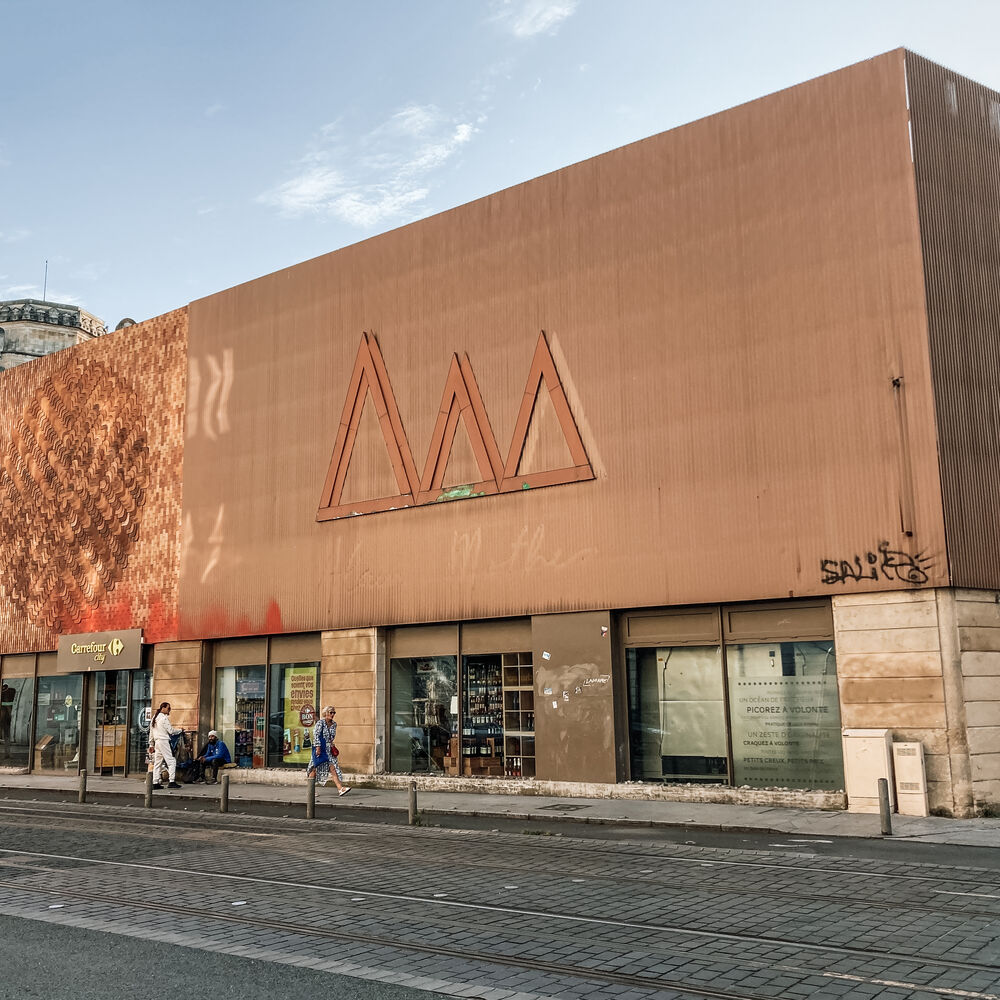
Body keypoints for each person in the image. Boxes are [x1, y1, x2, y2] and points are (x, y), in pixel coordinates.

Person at [308, 705, 350, 795]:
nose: (332, 714)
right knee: (314, 768)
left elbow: (331, 737)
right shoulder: (320, 723)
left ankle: (340, 788)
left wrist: (331, 744)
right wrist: (318, 747)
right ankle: (311, 791)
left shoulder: (334, 724)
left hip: (328, 749)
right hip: (320, 748)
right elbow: (316, 735)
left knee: (333, 768)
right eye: (331, 712)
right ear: (326, 713)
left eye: (334, 712)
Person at [148, 702, 182, 789]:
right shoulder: (164, 718)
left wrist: (151, 744)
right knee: (171, 761)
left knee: (158, 763)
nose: (169, 710)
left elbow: (151, 733)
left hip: (157, 742)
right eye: (168, 708)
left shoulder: (154, 718)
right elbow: (171, 731)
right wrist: (180, 730)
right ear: (163, 708)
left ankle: (155, 782)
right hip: (163, 741)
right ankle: (172, 781)